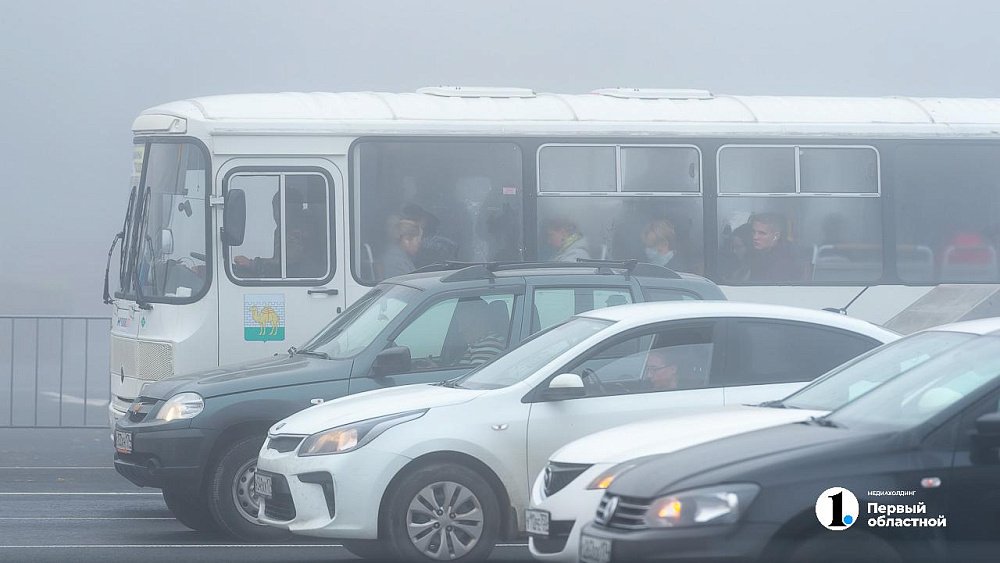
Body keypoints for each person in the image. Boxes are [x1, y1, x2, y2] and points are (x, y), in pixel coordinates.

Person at [747, 212, 802, 282]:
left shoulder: (784, 262)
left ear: (776, 236)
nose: (755, 237)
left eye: (762, 233)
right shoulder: (758, 254)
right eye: (753, 232)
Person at [402, 203, 459, 268]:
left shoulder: (442, 244)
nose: (411, 223)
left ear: (426, 220)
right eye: (407, 220)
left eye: (415, 219)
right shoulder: (399, 245)